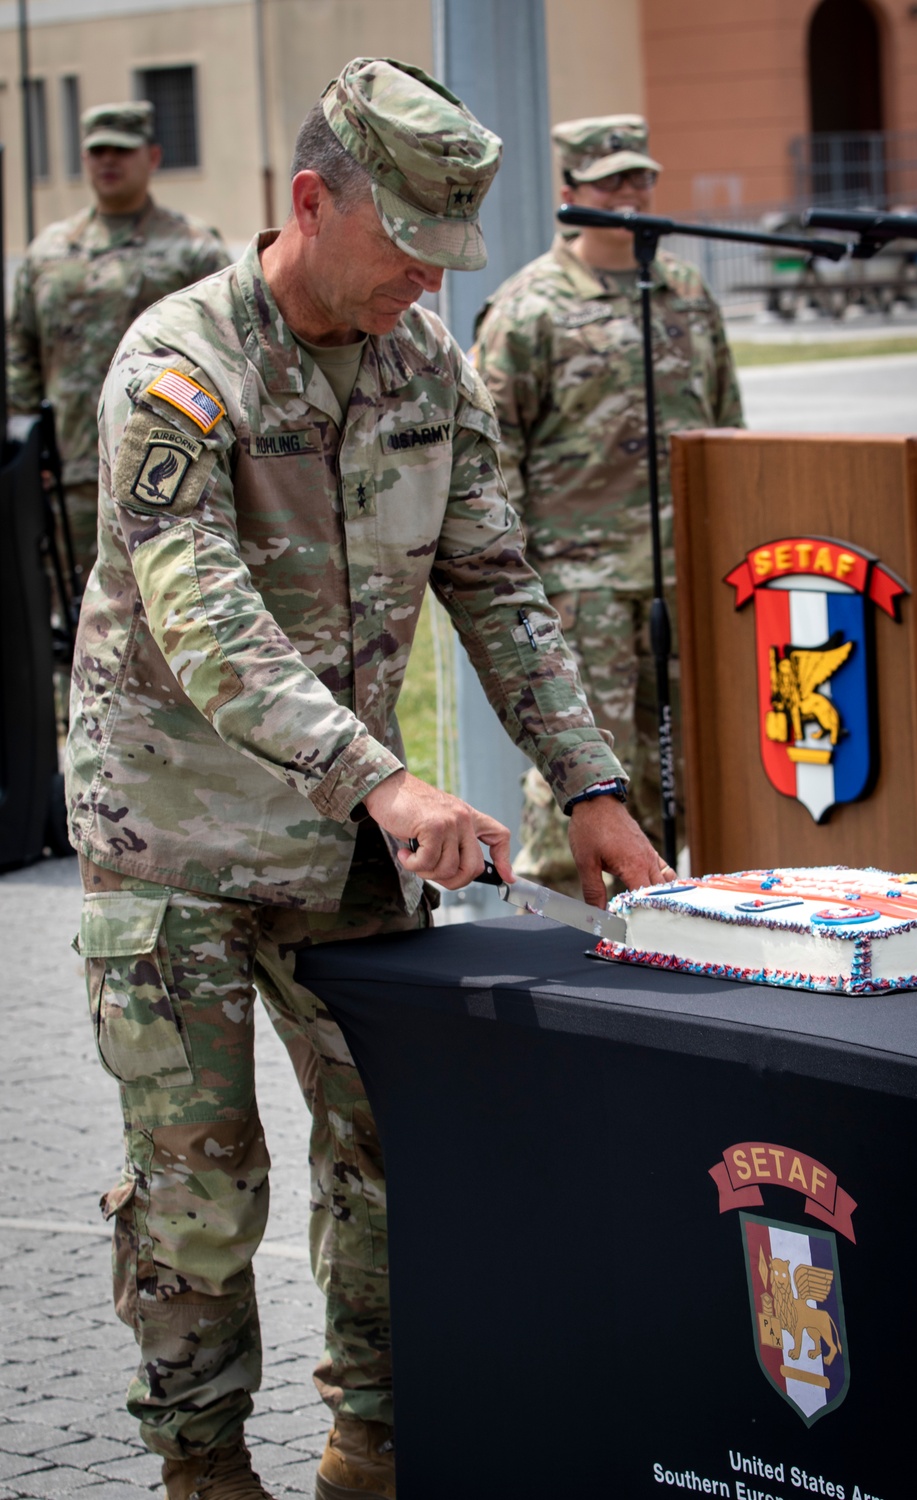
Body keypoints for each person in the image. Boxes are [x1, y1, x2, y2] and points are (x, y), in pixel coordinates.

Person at [65, 61, 666, 1500]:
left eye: (449, 253)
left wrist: (591, 787)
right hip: (178, 847)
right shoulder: (177, 365)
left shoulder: (425, 370)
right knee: (202, 1203)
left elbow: (502, 591)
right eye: (404, 246)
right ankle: (205, 1472)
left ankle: (375, 1450)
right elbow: (202, 619)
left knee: (396, 1170)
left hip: (345, 859)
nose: (427, 280)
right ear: (308, 202)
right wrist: (384, 779)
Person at [474, 114, 744, 898]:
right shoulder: (529, 308)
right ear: (570, 193)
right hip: (579, 590)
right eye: (611, 182)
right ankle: (570, 948)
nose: (631, 195)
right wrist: (520, 584)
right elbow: (493, 461)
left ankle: (680, 932)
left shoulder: (686, 292)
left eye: (641, 178)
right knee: (587, 781)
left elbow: (728, 424)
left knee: (688, 779)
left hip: (686, 578)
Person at [7, 100, 231, 586]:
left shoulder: (192, 249)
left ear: (152, 157)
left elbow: (227, 354)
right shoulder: (48, 253)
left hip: (161, 467)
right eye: (98, 151)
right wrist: (25, 448)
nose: (108, 161)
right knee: (57, 607)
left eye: (122, 151)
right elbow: (20, 349)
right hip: (65, 472)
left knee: (158, 598)